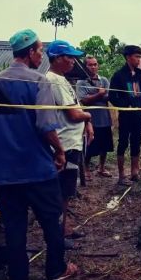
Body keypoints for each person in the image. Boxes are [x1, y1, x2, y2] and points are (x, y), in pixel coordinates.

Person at [0, 29, 77, 280]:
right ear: (29, 53)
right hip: (37, 170)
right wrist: (59, 151)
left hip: (7, 174)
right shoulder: (39, 82)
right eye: (38, 51)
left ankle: (18, 279)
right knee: (51, 222)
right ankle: (56, 269)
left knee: (14, 228)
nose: (41, 56)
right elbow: (46, 125)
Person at [45, 40, 92, 242]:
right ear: (56, 59)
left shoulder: (62, 79)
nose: (73, 61)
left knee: (66, 191)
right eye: (69, 57)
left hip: (72, 142)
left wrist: (86, 122)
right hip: (65, 143)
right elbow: (73, 114)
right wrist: (88, 117)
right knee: (62, 193)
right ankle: (58, 234)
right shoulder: (53, 80)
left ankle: (63, 228)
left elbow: (75, 108)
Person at [109, 45, 141, 185]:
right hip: (125, 116)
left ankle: (134, 172)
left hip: (138, 115)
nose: (139, 60)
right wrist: (125, 106)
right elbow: (112, 96)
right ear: (128, 57)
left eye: (139, 57)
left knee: (136, 142)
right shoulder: (118, 75)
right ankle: (121, 175)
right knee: (123, 142)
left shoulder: (139, 74)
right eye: (137, 57)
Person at [77, 56, 114, 178]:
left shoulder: (103, 80)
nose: (93, 67)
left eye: (95, 64)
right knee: (90, 146)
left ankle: (101, 168)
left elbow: (109, 96)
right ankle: (86, 168)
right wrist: (99, 94)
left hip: (105, 118)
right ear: (85, 67)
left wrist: (95, 95)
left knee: (105, 145)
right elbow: (84, 101)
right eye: (90, 65)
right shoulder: (81, 82)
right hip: (91, 120)